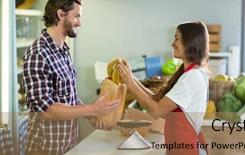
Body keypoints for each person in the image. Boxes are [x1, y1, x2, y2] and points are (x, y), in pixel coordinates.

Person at [22, 0, 119, 154]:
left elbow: (69, 97)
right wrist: (92, 109)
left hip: (68, 144)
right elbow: (47, 110)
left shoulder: (63, 50)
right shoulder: (38, 54)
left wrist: (93, 117)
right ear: (61, 14)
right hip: (45, 148)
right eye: (77, 16)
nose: (79, 23)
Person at [118, 21, 209, 155]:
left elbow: (156, 111)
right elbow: (156, 100)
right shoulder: (189, 73)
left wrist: (130, 83)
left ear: (190, 41)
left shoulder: (191, 78)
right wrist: (131, 78)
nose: (173, 43)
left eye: (177, 38)